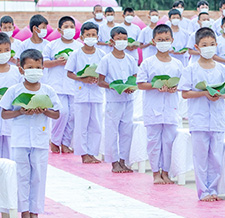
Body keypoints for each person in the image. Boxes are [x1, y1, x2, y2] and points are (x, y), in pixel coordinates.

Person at [0, 49, 61, 218]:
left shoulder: (48, 90)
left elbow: (56, 114)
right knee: (22, 175)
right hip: (20, 139)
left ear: (43, 68)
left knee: (38, 176)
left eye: (37, 67)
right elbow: (4, 113)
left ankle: (35, 212)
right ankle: (24, 213)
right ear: (21, 69)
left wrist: (45, 110)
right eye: (30, 67)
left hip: (40, 140)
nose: (34, 71)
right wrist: (20, 111)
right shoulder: (14, 90)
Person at [178, 27, 225, 201]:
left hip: (217, 118)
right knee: (200, 156)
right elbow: (185, 93)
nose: (209, 47)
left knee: (216, 156)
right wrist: (203, 93)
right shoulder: (190, 69)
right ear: (197, 47)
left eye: (212, 44)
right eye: (205, 44)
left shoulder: (222, 69)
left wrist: (218, 95)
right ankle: (203, 191)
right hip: (199, 118)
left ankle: (214, 189)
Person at [137, 24, 183, 184]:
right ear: (153, 41)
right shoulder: (148, 63)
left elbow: (182, 85)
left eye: (166, 39)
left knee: (169, 141)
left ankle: (166, 172)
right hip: (153, 107)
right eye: (160, 40)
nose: (163, 42)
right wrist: (156, 85)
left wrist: (174, 88)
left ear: (172, 40)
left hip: (171, 106)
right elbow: (140, 84)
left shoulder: (177, 64)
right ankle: (155, 172)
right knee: (154, 142)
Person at [96, 26, 139, 173]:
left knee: (127, 131)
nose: (122, 42)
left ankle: (123, 160)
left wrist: (129, 87)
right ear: (112, 41)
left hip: (128, 100)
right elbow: (100, 81)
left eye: (124, 39)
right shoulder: (106, 60)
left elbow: (134, 79)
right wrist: (115, 87)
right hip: (113, 101)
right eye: (119, 39)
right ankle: (114, 162)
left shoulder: (131, 60)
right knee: (112, 131)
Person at [66, 22, 105, 164]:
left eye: (93, 35)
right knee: (82, 125)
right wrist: (82, 78)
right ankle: (83, 153)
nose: (90, 37)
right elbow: (69, 73)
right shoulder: (76, 54)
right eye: (87, 35)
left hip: (96, 93)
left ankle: (93, 152)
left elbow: (105, 73)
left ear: (97, 36)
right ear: (82, 36)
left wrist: (97, 78)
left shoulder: (101, 54)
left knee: (96, 124)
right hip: (81, 93)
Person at [43, 16, 81, 154]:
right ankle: (54, 140)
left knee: (72, 115)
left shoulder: (79, 46)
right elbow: (43, 62)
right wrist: (57, 62)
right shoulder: (52, 45)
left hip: (74, 84)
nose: (69, 29)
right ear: (59, 29)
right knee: (62, 112)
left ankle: (65, 143)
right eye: (66, 27)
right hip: (57, 84)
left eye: (72, 27)